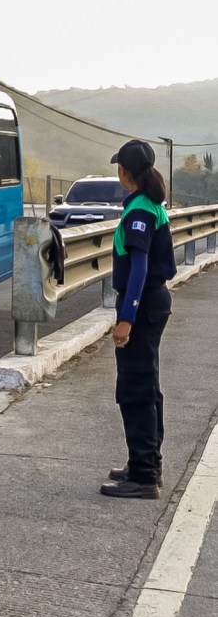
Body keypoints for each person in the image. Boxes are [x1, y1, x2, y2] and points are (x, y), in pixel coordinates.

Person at [99, 139, 177, 500]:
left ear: (124, 172)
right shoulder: (149, 204)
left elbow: (140, 267)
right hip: (152, 302)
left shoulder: (140, 212)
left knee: (136, 388)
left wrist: (126, 317)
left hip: (143, 305)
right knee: (147, 385)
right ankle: (146, 462)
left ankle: (144, 475)